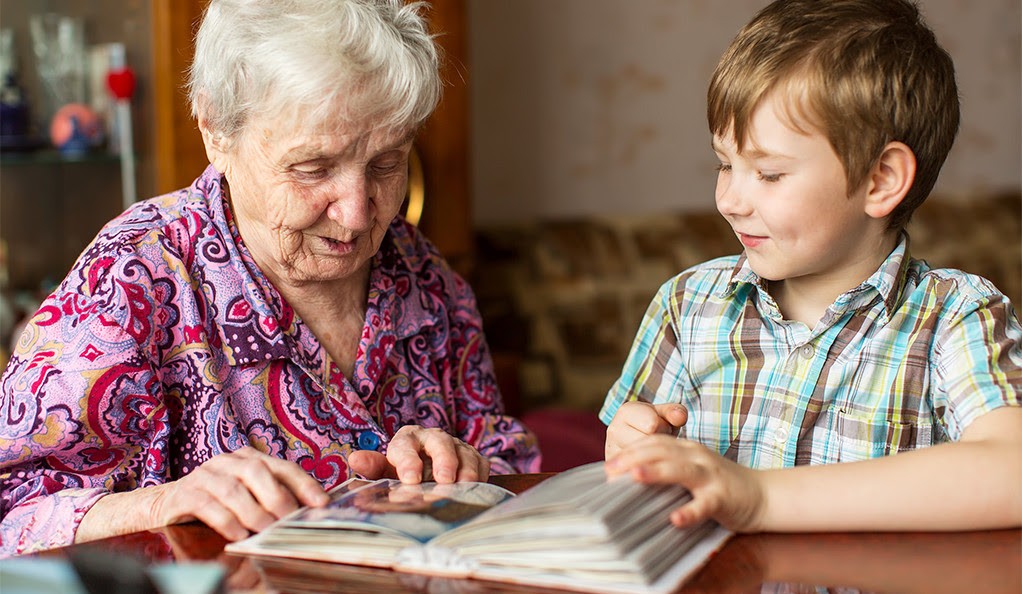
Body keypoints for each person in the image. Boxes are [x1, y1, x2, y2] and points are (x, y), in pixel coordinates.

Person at [0, 0, 539, 556]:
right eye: (313, 168)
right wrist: (163, 504)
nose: (358, 213)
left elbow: (511, 466)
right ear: (216, 131)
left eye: (386, 163)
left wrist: (466, 470)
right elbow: (12, 515)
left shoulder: (427, 278)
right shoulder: (129, 281)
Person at [601, 0, 1021, 533]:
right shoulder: (688, 305)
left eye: (770, 174)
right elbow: (624, 461)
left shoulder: (955, 318)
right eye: (725, 164)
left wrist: (759, 497)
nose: (729, 199)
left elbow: (1012, 473)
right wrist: (632, 444)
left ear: (880, 180)